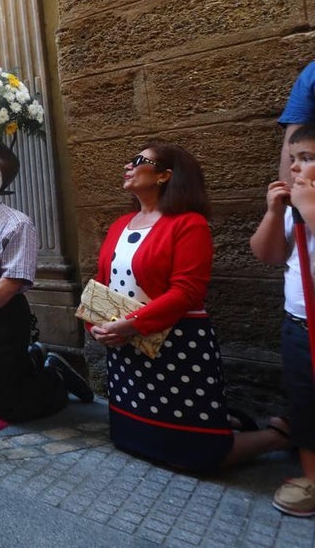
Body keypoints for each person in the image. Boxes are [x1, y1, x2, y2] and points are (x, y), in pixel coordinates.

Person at [91, 143, 289, 472]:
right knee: (132, 436)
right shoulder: (120, 224)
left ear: (165, 175)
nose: (128, 165)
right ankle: (226, 423)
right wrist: (95, 326)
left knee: (198, 454)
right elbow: (101, 282)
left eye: (139, 160)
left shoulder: (188, 223)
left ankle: (278, 436)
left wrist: (128, 325)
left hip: (176, 341)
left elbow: (187, 291)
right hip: (124, 344)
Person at [0, 161, 93, 421]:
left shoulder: (16, 224)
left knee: (8, 408)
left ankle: (54, 376)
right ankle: (32, 359)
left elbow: (12, 281)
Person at [251, 123, 315, 516]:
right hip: (298, 324)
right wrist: (277, 213)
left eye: (307, 159)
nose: (295, 169)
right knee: (305, 402)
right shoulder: (295, 212)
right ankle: (310, 476)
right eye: (293, 160)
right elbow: (268, 253)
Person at [278, 61, 315, 182]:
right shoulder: (312, 73)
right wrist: (288, 199)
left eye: (306, 159)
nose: (293, 167)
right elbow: (295, 142)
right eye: (293, 160)